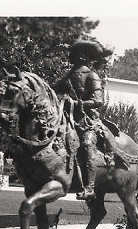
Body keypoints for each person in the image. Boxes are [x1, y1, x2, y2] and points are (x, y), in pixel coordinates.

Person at [54, 39, 116, 200]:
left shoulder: (92, 75)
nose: (71, 57)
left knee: (88, 145)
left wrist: (76, 103)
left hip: (87, 121)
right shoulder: (68, 75)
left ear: (83, 57)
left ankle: (89, 187)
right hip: (67, 117)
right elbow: (54, 91)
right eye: (72, 54)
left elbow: (98, 101)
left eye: (75, 54)